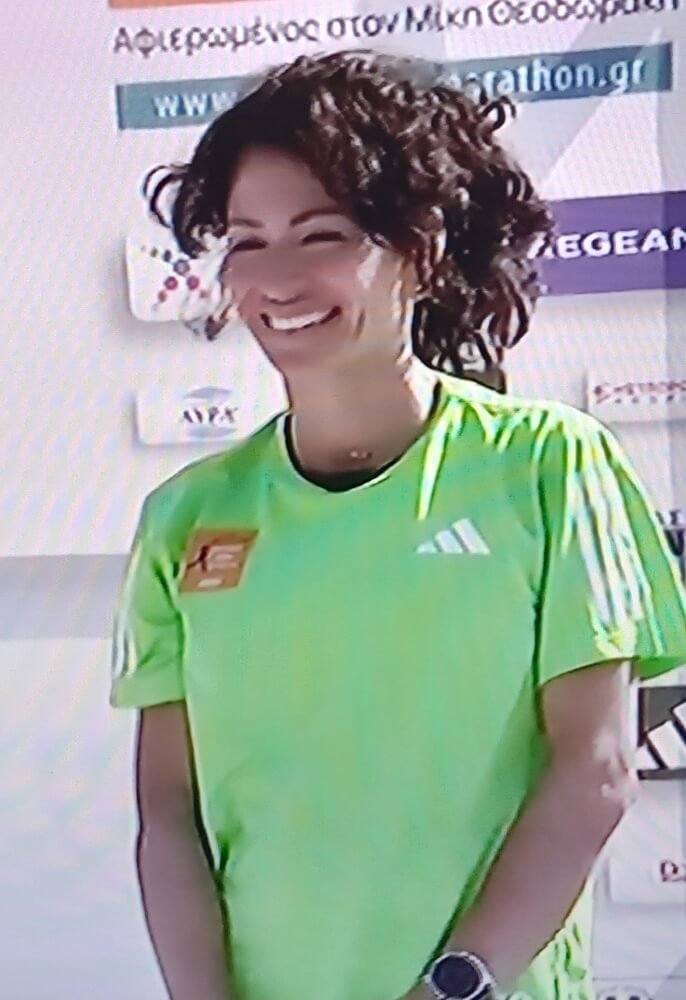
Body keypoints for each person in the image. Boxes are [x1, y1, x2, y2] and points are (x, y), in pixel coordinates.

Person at [110, 49, 686, 1000]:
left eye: (322, 235)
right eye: (248, 241)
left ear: (420, 248)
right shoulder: (187, 516)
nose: (278, 279)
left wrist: (453, 988)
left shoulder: (549, 465)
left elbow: (595, 772)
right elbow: (169, 812)